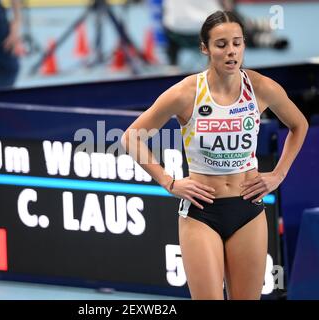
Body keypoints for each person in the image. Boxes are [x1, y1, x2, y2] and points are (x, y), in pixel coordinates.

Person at [121, 11, 308, 299]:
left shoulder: (260, 88)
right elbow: (131, 137)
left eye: (237, 43)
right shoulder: (186, 93)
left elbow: (299, 125)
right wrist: (169, 182)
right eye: (221, 45)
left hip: (249, 210)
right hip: (201, 213)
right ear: (205, 49)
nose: (231, 51)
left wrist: (279, 174)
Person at [162, 0, 289, 66]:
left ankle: (173, 65)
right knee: (231, 23)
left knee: (168, 21)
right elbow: (228, 7)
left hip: (176, 36)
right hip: (211, 35)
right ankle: (259, 33)